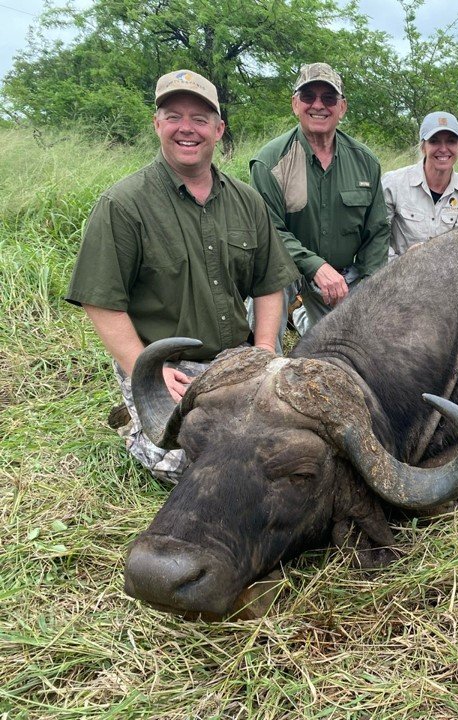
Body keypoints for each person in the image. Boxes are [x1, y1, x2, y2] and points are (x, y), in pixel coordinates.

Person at [65, 70, 299, 483]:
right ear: (157, 124)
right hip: (164, 366)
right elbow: (100, 300)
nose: (186, 128)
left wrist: (264, 350)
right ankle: (135, 423)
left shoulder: (247, 201)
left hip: (236, 360)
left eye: (200, 118)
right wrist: (145, 368)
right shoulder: (123, 204)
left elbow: (268, 284)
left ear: (218, 129)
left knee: (289, 449)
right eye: (174, 116)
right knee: (199, 469)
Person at [250, 62, 389, 334]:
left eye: (328, 98)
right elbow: (269, 231)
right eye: (308, 97)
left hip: (344, 276)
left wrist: (371, 288)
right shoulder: (270, 162)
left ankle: (305, 321)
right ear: (294, 104)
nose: (318, 105)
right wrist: (315, 266)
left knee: (368, 338)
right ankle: (265, 362)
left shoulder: (365, 162)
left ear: (342, 107)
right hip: (287, 271)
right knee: (268, 288)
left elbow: (378, 233)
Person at [382, 111, 458, 259]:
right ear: (423, 147)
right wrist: (403, 265)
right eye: (434, 141)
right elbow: (377, 242)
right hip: (398, 274)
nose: (443, 149)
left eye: (451, 141)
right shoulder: (393, 183)